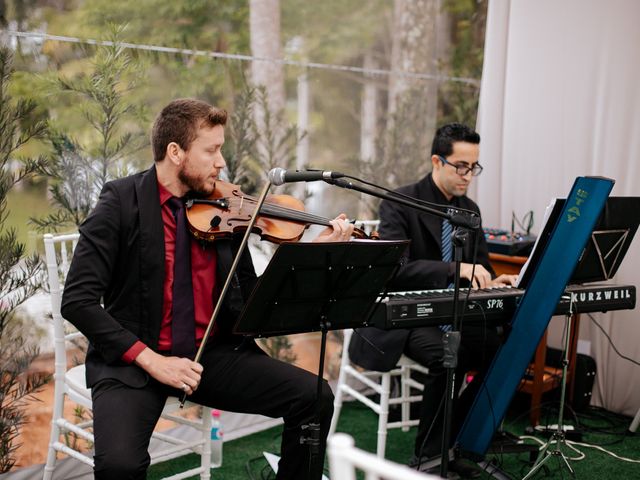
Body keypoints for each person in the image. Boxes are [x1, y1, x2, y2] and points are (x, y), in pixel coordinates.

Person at [61, 98, 354, 480]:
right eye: (212, 150)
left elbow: (253, 298)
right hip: (136, 361)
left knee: (313, 397)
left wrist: (313, 254)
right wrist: (153, 360)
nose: (220, 162)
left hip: (211, 357)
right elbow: (78, 301)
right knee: (119, 467)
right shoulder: (121, 202)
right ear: (175, 152)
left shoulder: (225, 207)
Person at [348, 123, 517, 476]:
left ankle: (462, 435)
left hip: (453, 313)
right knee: (447, 356)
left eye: (474, 167)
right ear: (436, 161)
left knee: (504, 349)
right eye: (461, 166)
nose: (469, 176)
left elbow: (481, 266)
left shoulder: (469, 210)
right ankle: (429, 458)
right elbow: (395, 270)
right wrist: (455, 269)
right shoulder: (400, 201)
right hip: (404, 318)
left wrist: (494, 277)